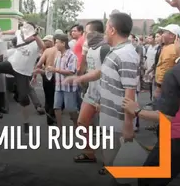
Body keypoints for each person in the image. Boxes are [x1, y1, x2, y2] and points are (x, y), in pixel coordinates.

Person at [122, 42, 180, 184]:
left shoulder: (174, 74)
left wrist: (137, 111)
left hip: (174, 136)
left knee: (148, 180)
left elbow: (167, 116)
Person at [64, 20, 110, 163]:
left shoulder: (105, 49)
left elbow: (106, 74)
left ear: (96, 33)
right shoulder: (90, 48)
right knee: (82, 122)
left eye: (87, 32)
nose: (84, 35)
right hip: (91, 92)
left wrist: (104, 99)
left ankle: (110, 161)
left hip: (105, 95)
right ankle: (89, 153)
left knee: (106, 130)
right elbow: (84, 68)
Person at [46, 34, 78, 127]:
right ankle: (59, 127)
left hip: (69, 86)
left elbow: (71, 72)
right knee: (57, 107)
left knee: (70, 108)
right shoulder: (59, 55)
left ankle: (76, 125)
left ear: (63, 43)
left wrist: (55, 69)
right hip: (59, 85)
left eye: (57, 42)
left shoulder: (71, 56)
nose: (55, 44)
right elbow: (56, 69)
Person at [33, 33, 60, 125]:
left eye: (46, 41)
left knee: (49, 98)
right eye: (44, 41)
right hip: (57, 75)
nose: (44, 43)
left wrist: (35, 76)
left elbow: (38, 65)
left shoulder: (47, 51)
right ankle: (53, 116)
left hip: (47, 75)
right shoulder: (61, 51)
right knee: (54, 97)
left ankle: (50, 117)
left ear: (52, 41)